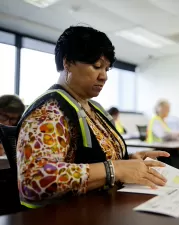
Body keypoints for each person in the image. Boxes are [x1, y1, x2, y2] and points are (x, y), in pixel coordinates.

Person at [16, 26, 170, 209]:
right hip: (65, 216)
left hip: (100, 207)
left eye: (107, 69)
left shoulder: (91, 108)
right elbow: (34, 180)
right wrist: (116, 169)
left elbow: (94, 158)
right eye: (96, 66)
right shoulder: (50, 112)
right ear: (67, 63)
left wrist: (128, 161)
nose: (104, 76)